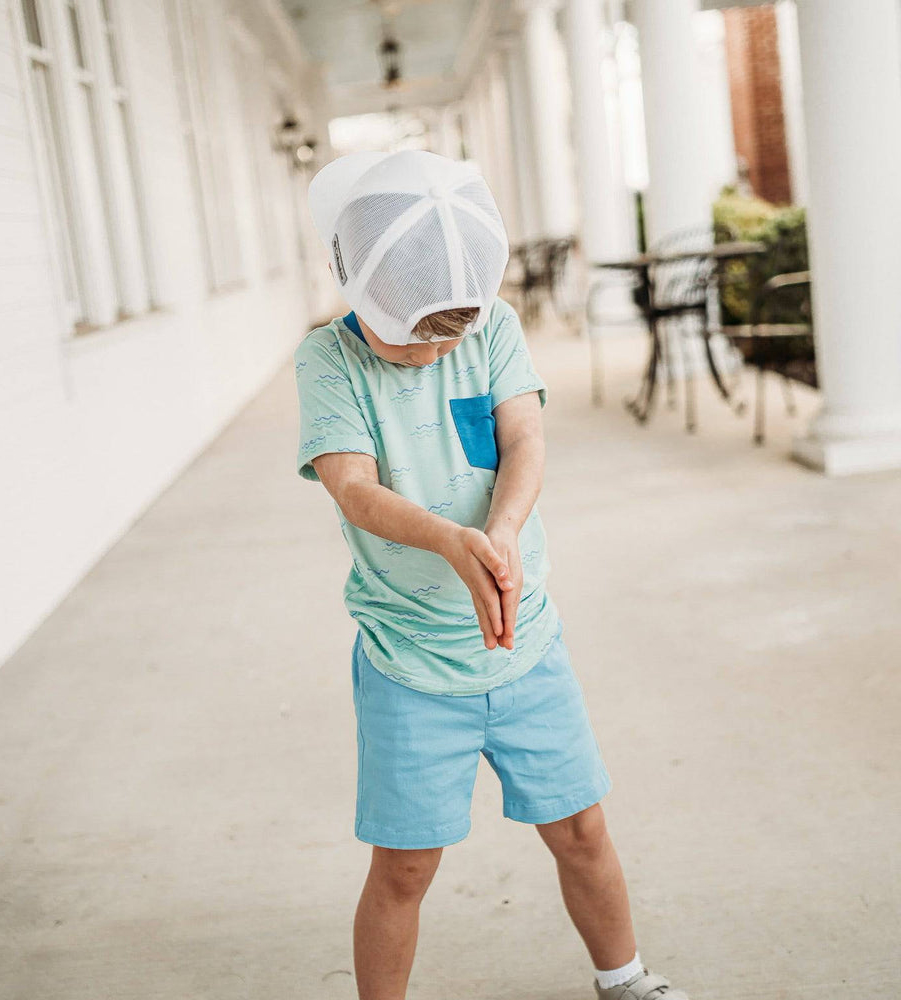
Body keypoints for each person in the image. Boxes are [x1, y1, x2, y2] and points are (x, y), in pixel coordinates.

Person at [293, 149, 690, 1000]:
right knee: (404, 866)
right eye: (413, 339)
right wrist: (448, 540)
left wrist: (501, 530)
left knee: (582, 828)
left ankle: (625, 980)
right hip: (410, 662)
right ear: (358, 291)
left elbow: (524, 441)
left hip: (528, 647)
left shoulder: (493, 328)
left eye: (453, 334)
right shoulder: (328, 362)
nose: (436, 355)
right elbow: (354, 489)